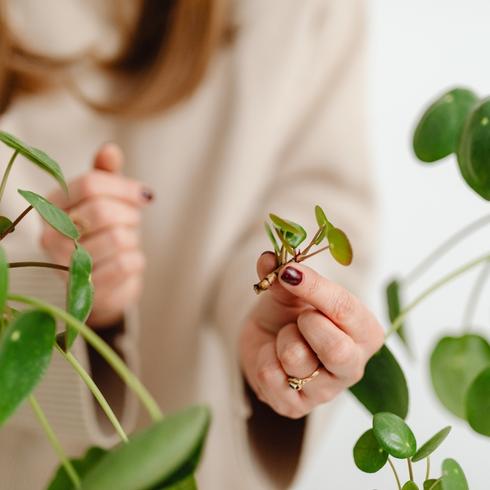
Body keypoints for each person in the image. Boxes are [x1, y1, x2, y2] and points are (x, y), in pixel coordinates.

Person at [0, 0, 383, 488]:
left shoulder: (305, 13)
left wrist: (291, 325)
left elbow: (316, 195)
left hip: (205, 444)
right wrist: (68, 296)